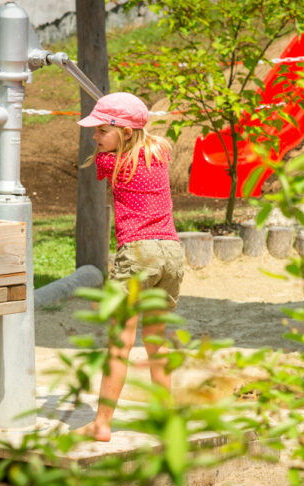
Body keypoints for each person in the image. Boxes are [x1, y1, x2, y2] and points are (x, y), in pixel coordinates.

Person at [75, 92, 184, 442]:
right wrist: (133, 121)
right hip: (171, 253)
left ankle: (102, 423)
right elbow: (147, 135)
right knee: (156, 341)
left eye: (101, 130)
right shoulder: (160, 153)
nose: (94, 137)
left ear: (122, 132)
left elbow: (101, 157)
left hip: (139, 253)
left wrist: (120, 130)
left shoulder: (110, 162)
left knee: (120, 342)